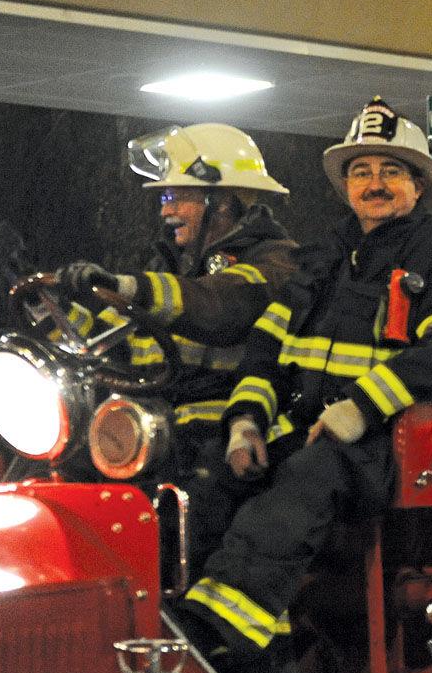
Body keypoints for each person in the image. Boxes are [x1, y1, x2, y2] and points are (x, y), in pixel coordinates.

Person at [175, 98, 432, 673]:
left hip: (377, 443)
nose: (374, 183)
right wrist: (245, 424)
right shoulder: (321, 259)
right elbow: (268, 349)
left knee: (300, 483)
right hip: (302, 431)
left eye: (391, 170)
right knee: (211, 485)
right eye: (361, 171)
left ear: (419, 184)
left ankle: (210, 634)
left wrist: (360, 407)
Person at [52, 124, 298, 485]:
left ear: (224, 202)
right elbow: (114, 340)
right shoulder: (174, 266)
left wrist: (125, 285)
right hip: (156, 426)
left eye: (179, 197)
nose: (167, 211)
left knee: (196, 505)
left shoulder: (277, 261)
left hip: (222, 432)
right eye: (165, 198)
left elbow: (219, 306)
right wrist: (51, 312)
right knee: (65, 471)